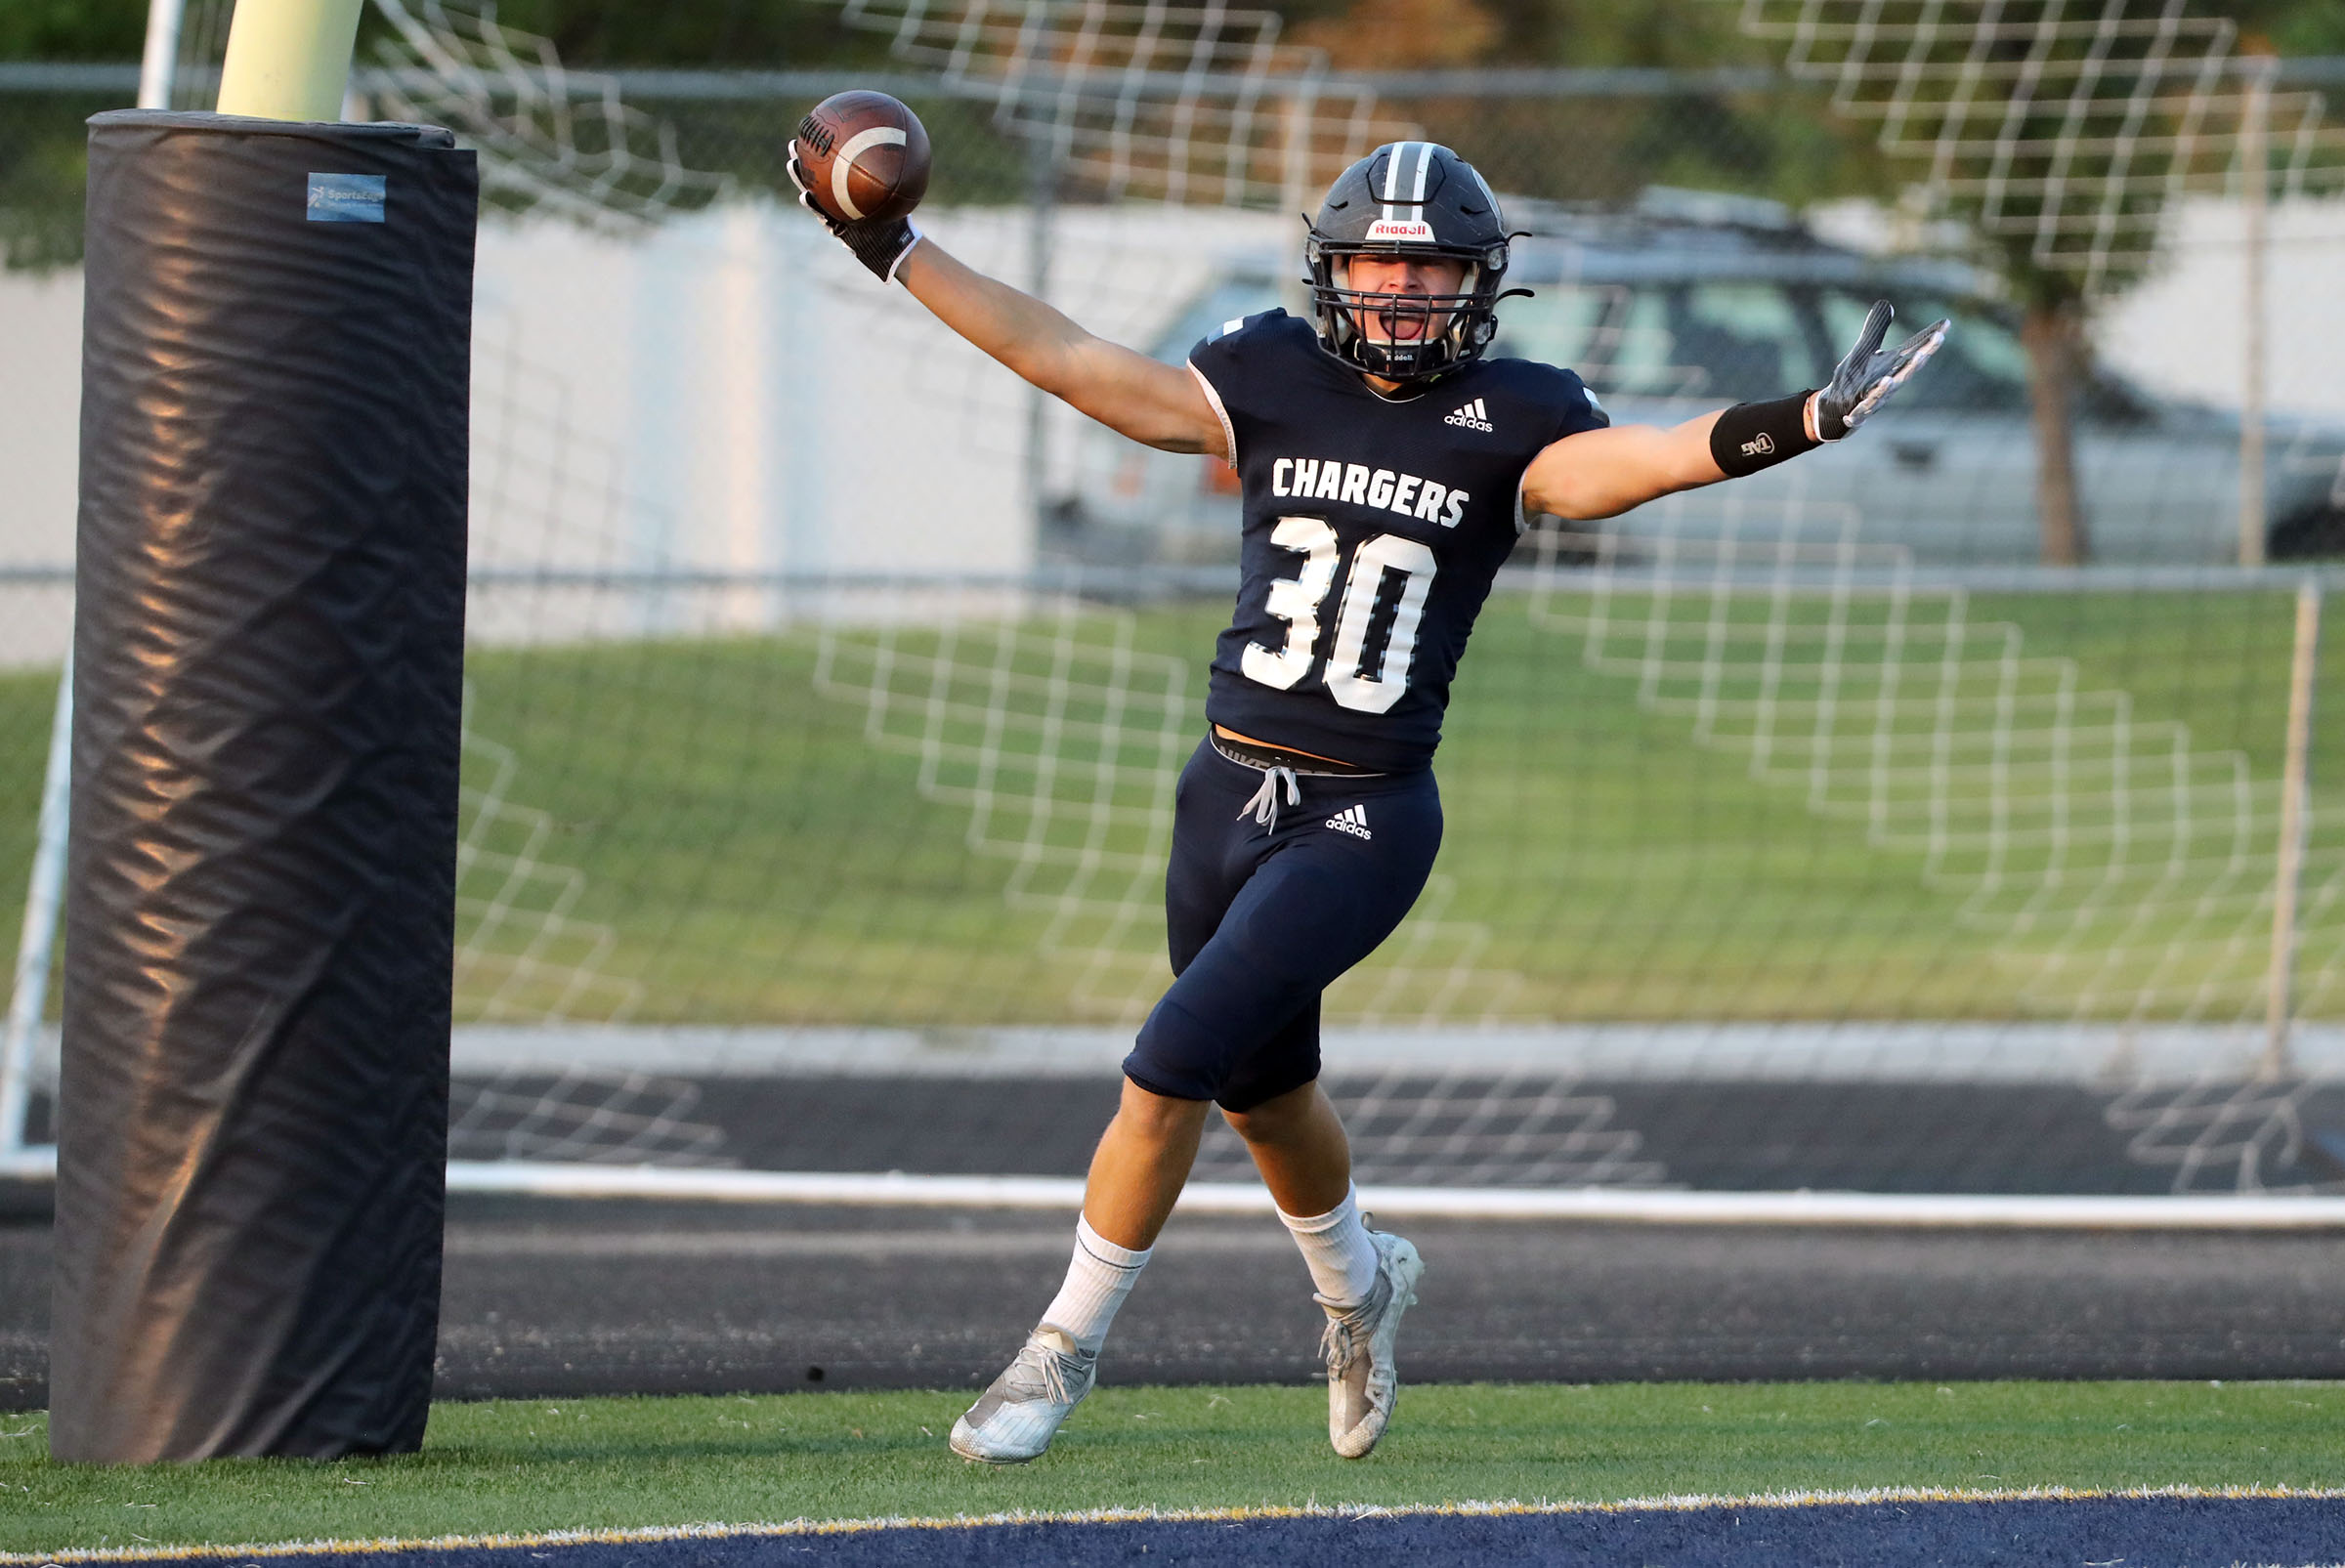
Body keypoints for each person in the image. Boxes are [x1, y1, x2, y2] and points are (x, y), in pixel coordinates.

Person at [789, 138, 1946, 1464]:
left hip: (1365, 812)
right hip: (1221, 790)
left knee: (1168, 1062)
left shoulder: (1518, 412)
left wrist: (1796, 420)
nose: (1400, 289)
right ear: (1336, 271)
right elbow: (1073, 360)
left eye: (1428, 264)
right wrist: (894, 250)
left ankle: (1059, 1349)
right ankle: (1360, 1287)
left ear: (1479, 279)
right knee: (1264, 1094)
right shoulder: (1272, 369)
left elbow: (1630, 464)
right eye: (1379, 261)